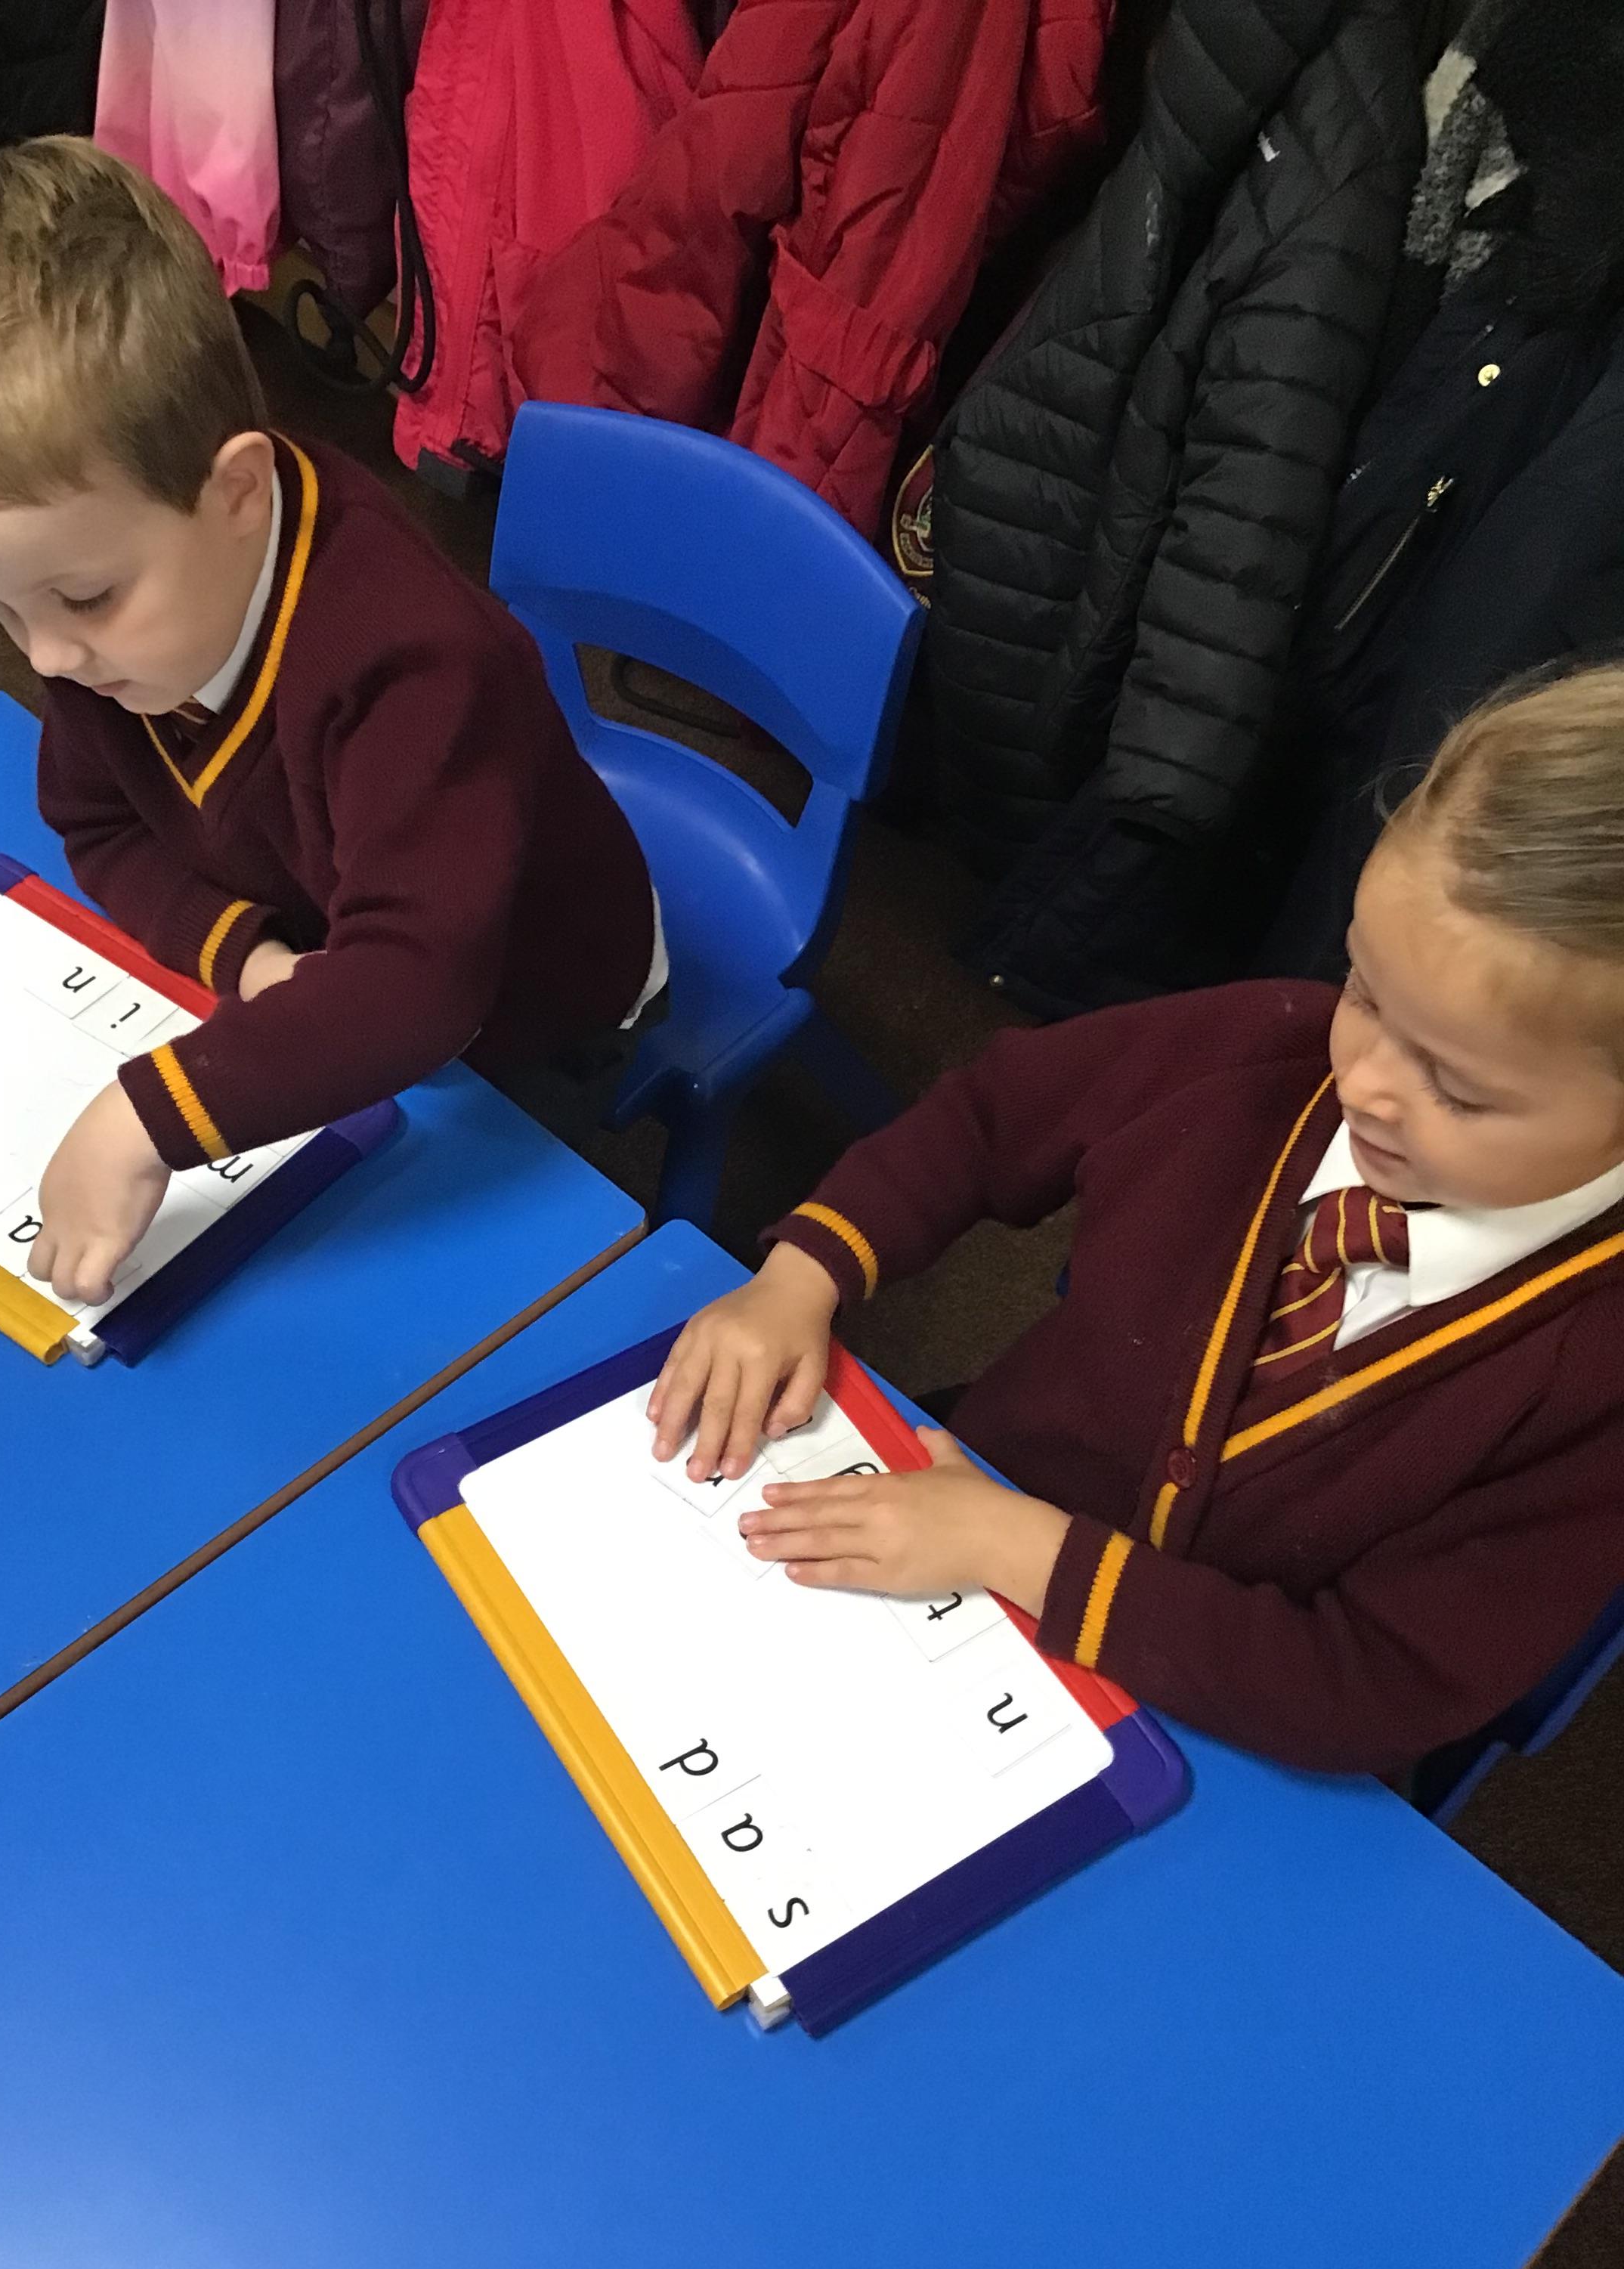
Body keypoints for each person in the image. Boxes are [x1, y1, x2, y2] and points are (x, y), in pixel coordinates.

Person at [649, 667, 1624, 1772]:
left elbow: (1372, 1685)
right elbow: (990, 1119)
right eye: (1363, 989)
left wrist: (1020, 1549)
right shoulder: (1260, 1050)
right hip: (971, 1497)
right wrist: (802, 1279)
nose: (1360, 1083)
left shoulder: (1594, 1384)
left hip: (1208, 1719)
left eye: (1456, 1087)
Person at [0, 138, 661, 1305]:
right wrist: (251, 961)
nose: (47, 655)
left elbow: (421, 984)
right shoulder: (106, 609)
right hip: (326, 945)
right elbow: (99, 824)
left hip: (528, 1009)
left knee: (441, 1294)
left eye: (82, 597)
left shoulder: (417, 665)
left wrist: (148, 1116)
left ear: (236, 493)